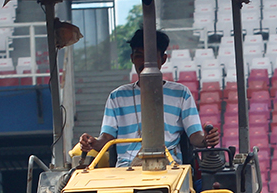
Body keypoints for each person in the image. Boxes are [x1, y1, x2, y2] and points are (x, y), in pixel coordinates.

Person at [79, 28, 219, 167]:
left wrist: (206, 139)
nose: (145, 62)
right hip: (126, 170)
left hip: (169, 168)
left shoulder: (181, 94)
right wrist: (92, 142)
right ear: (132, 58)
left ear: (163, 59)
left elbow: (195, 136)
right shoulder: (117, 97)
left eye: (151, 56)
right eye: (139, 55)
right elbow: (106, 139)